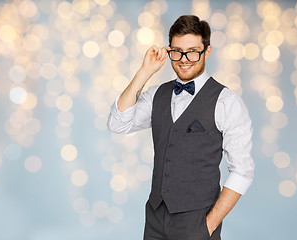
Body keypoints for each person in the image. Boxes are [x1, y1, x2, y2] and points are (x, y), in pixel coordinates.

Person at [107, 15, 254, 240]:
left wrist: (208, 225)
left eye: (193, 51)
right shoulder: (157, 95)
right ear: (169, 51)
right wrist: (144, 72)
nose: (184, 59)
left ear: (207, 51)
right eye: (177, 51)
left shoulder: (227, 102)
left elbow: (242, 171)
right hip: (155, 219)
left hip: (197, 222)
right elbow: (118, 124)